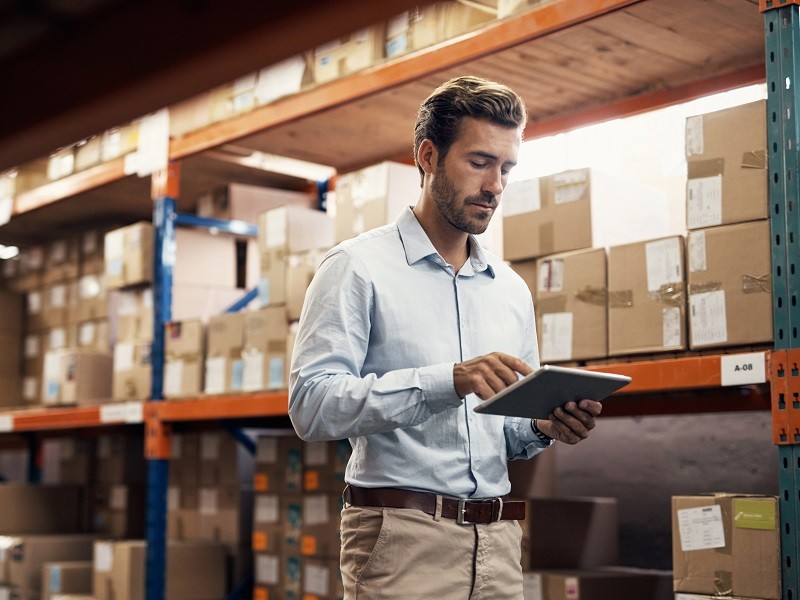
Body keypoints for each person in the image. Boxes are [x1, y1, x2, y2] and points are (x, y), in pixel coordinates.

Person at [288, 75, 602, 599]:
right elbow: (311, 405)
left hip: (499, 544)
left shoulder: (510, 290)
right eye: (479, 162)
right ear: (428, 156)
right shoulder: (357, 267)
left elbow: (507, 431)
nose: (495, 185)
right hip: (401, 541)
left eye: (507, 168)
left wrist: (544, 425)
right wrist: (447, 381)